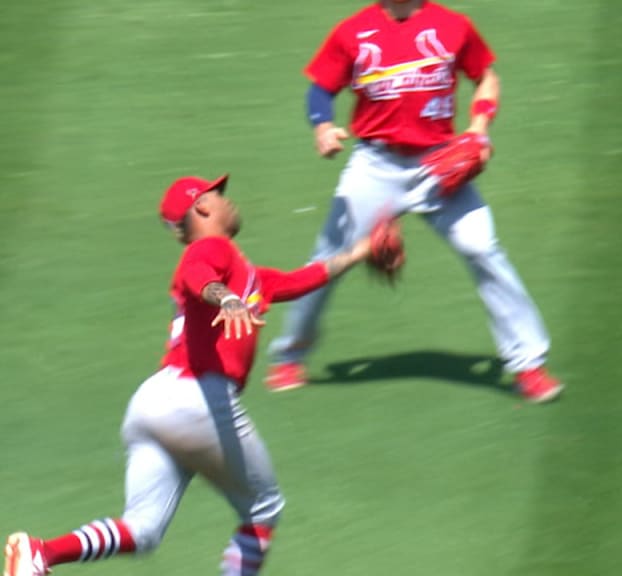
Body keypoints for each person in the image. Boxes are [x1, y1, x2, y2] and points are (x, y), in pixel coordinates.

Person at [3, 174, 396, 576]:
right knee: (264, 509)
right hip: (199, 399)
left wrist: (361, 251)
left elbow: (299, 280)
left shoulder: (249, 275)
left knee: (142, 530)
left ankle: (42, 553)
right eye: (219, 195)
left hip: (153, 404)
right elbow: (197, 275)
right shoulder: (211, 249)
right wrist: (223, 297)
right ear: (203, 208)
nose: (229, 201)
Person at [266, 0, 563, 403]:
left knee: (482, 247)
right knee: (330, 256)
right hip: (375, 164)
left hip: (438, 165)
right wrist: (322, 126)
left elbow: (486, 77)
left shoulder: (453, 25)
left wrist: (478, 129)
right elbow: (320, 89)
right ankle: (290, 354)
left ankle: (529, 364)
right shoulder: (352, 31)